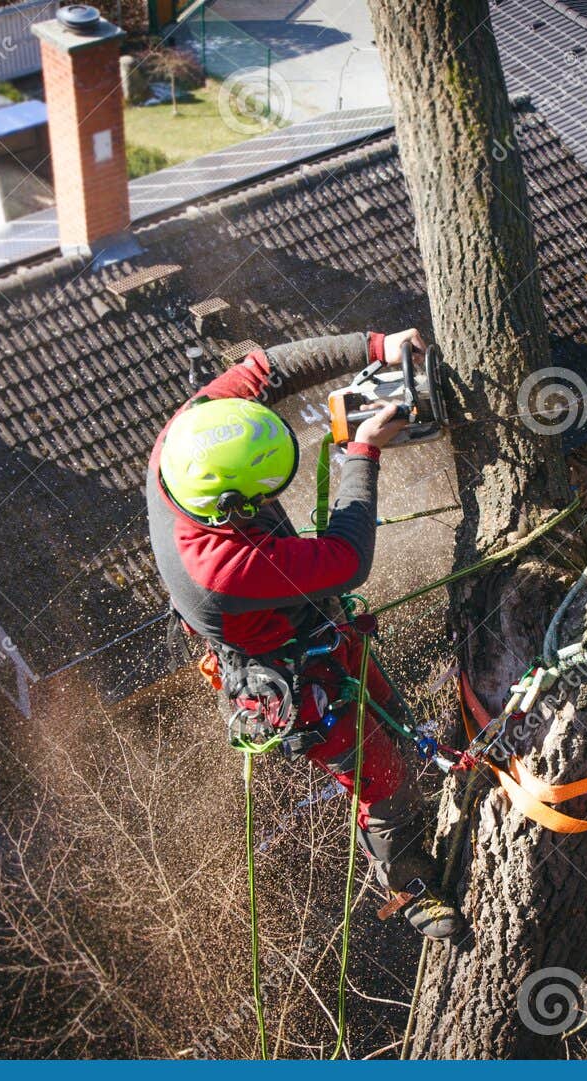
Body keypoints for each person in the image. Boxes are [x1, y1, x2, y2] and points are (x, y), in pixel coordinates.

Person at [146, 328, 464, 940]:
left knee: (390, 713)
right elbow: (347, 556)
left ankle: (423, 766)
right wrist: (362, 453)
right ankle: (411, 886)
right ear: (231, 505)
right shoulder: (221, 569)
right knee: (381, 773)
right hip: (289, 670)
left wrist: (376, 346)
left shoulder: (192, 433)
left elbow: (268, 366)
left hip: (317, 624)